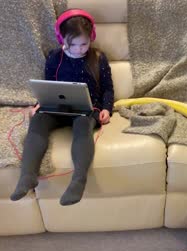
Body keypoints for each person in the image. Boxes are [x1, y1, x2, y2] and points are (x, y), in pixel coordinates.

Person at [10, 9, 114, 206]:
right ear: (61, 39)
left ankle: (78, 180)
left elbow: (108, 89)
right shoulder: (54, 57)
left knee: (83, 126)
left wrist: (107, 108)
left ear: (91, 37)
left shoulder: (99, 58)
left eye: (84, 43)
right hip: (56, 107)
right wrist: (39, 104)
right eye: (72, 44)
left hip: (86, 109)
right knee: (38, 120)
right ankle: (27, 176)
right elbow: (49, 85)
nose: (78, 49)